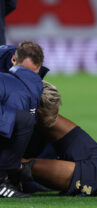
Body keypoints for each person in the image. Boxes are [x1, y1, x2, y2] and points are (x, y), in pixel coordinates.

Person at [0, 41, 44, 198]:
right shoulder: (30, 88)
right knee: (24, 120)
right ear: (39, 68)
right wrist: (14, 168)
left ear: (14, 59)